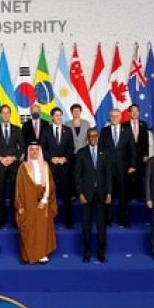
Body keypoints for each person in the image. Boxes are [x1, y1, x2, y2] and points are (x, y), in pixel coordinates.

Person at [14, 140, 57, 264]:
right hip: (28, 202)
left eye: (36, 149)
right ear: (28, 151)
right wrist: (20, 205)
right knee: (29, 228)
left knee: (42, 227)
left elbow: (49, 185)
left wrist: (44, 200)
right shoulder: (23, 167)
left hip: (43, 201)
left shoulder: (45, 165)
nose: (34, 152)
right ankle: (28, 255)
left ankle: (41, 253)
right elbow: (19, 187)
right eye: (31, 149)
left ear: (39, 151)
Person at [74, 128, 112, 263]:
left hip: (102, 194)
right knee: (86, 226)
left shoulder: (105, 152)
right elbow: (77, 176)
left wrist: (109, 193)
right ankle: (86, 253)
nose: (93, 138)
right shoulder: (81, 153)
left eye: (95, 135)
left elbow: (108, 174)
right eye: (90, 136)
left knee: (102, 226)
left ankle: (101, 254)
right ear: (87, 138)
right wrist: (80, 193)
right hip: (87, 195)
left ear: (98, 137)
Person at [98, 108, 133, 228]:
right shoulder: (104, 131)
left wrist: (132, 165)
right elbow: (100, 150)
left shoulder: (127, 130)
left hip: (123, 169)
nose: (114, 118)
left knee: (123, 196)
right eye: (112, 116)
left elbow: (132, 148)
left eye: (116, 116)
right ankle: (108, 219)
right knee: (108, 195)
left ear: (120, 117)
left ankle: (123, 219)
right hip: (108, 170)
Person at [41, 107, 75, 228]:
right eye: (56, 115)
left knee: (67, 195)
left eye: (60, 115)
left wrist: (64, 158)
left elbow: (71, 148)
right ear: (51, 117)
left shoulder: (68, 130)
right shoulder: (46, 131)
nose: (59, 117)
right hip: (51, 167)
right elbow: (42, 148)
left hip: (65, 166)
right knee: (50, 194)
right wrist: (52, 158)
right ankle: (49, 220)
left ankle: (68, 221)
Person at [0, 104, 24, 228]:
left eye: (7, 112)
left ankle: (15, 220)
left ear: (10, 114)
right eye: (3, 113)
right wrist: (0, 158)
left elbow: (22, 147)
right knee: (0, 193)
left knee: (14, 193)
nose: (5, 115)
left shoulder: (17, 129)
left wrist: (14, 157)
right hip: (0, 165)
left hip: (14, 165)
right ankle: (0, 220)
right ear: (0, 115)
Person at [122, 103, 149, 202]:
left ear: (139, 112)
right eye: (132, 111)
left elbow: (146, 140)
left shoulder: (144, 124)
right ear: (129, 113)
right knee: (128, 176)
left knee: (139, 176)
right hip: (128, 154)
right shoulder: (124, 125)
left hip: (141, 154)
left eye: (136, 111)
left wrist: (146, 154)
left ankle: (139, 195)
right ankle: (129, 195)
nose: (134, 113)